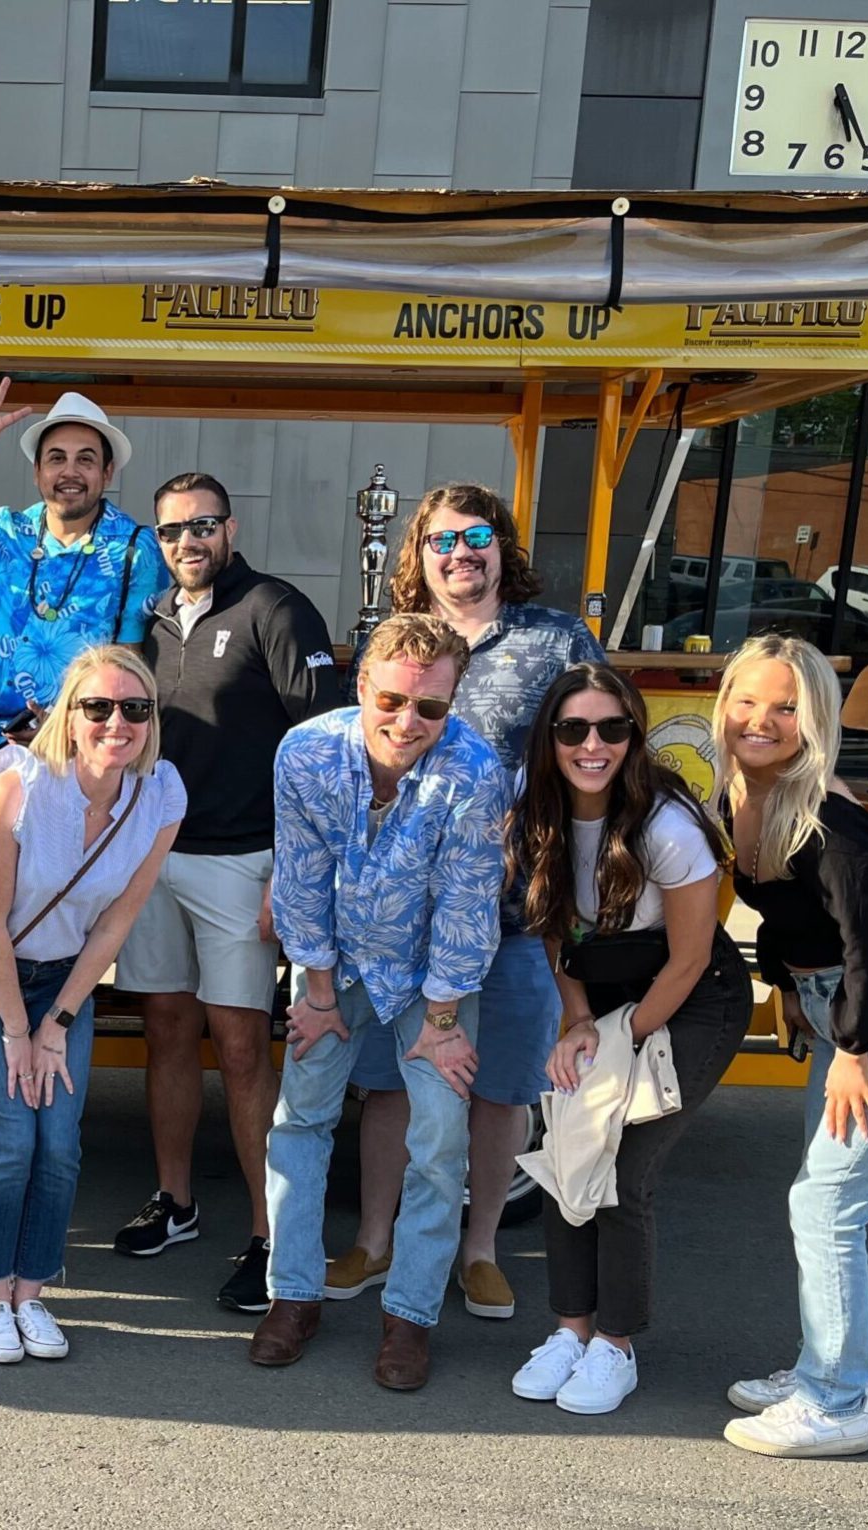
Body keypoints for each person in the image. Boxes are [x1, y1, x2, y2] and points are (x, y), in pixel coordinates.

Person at [337, 483, 604, 1321]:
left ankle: (479, 1248)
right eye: (443, 540)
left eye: (478, 536)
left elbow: (596, 749)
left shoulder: (556, 640)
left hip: (518, 915)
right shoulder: (395, 645)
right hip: (398, 926)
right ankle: (375, 1240)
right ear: (417, 555)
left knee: (500, 1093)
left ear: (503, 546)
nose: (462, 553)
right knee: (388, 1084)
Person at [252, 614, 509, 1391]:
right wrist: (319, 993)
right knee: (300, 1121)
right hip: (334, 964)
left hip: (434, 977)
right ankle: (292, 1296)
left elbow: (468, 906)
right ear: (361, 684)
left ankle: (409, 1318)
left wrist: (438, 1024)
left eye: (430, 708)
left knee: (439, 1143)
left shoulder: (476, 771)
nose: (408, 722)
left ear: (452, 702)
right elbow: (297, 878)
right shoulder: (304, 753)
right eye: (392, 700)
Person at [114, 471, 341, 1311]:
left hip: (246, 864)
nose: (188, 543)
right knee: (167, 1029)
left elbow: (325, 744)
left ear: (231, 528)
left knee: (242, 1049)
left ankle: (269, 1236)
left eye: (203, 526)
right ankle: (176, 1201)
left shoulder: (275, 609)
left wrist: (296, 869)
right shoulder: (145, 617)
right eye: (172, 531)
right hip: (156, 857)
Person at [502, 664, 750, 1416]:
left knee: (623, 1167)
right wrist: (578, 1020)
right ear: (551, 737)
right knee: (566, 1150)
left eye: (612, 728)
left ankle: (616, 1345)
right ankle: (570, 1332)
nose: (593, 744)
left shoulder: (666, 825)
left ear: (634, 735)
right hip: (600, 994)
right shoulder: (531, 803)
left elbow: (689, 959)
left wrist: (615, 1040)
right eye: (574, 728)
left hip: (689, 1001)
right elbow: (554, 934)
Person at [0, 646, 183, 1364]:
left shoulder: (161, 794)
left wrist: (59, 1022)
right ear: (70, 719)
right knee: (15, 1136)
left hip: (64, 979)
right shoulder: (18, 786)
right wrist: (19, 1029)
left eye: (135, 708)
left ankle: (31, 1291)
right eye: (98, 707)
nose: (118, 722)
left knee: (61, 1142)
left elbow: (114, 923)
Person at [713, 636, 868, 1458]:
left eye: (785, 708)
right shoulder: (739, 795)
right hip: (837, 1011)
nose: (761, 720)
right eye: (748, 701)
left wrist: (855, 1046)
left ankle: (835, 1403)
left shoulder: (832, 820)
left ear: (814, 720)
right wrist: (796, 994)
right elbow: (797, 927)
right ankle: (821, 1366)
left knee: (827, 1207)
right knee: (820, 1203)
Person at [0, 380, 171, 748]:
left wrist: (66, 727)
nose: (70, 472)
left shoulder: (135, 549)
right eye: (56, 458)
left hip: (65, 753)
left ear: (107, 472)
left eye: (85, 459)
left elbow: (128, 666)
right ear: (37, 471)